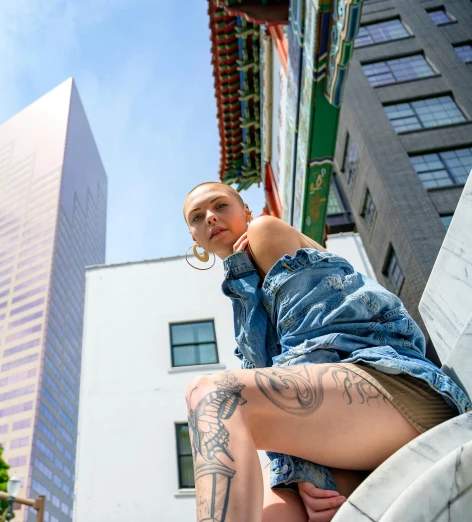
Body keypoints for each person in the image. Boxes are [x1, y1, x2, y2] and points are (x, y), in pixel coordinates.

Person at [181, 182, 470, 522]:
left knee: (212, 396)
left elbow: (310, 349)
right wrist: (298, 471)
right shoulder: (243, 301)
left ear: (245, 211)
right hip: (342, 434)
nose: (211, 218)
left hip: (394, 387)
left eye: (220, 205)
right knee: (268, 515)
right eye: (198, 217)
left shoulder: (265, 231)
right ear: (196, 240)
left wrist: (307, 471)